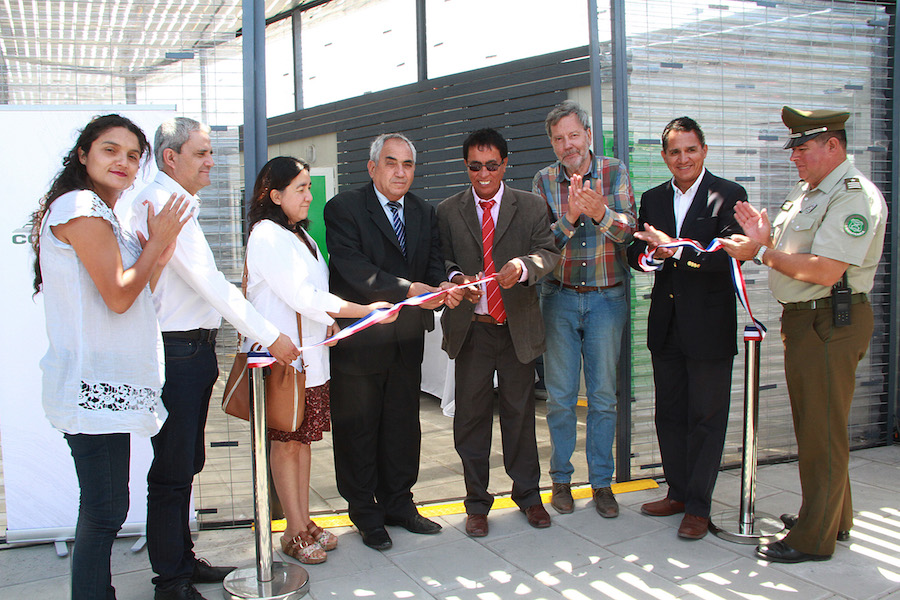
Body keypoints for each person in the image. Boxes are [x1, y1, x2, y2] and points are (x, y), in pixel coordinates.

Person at [128, 118, 300, 600]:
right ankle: (172, 581)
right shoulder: (164, 205)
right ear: (170, 158)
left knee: (185, 461)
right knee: (173, 469)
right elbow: (211, 285)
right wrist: (270, 335)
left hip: (191, 349)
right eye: (202, 153)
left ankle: (181, 560)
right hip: (176, 350)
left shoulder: (174, 202)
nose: (212, 161)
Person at [32, 114, 188, 600]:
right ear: (83, 155)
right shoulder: (80, 206)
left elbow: (135, 299)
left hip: (106, 386)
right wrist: (158, 243)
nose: (123, 162)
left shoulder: (104, 214)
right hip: (90, 387)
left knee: (106, 508)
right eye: (109, 150)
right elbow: (120, 297)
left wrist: (156, 258)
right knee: (103, 512)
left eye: (133, 155)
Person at [720, 106, 887, 563]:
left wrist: (762, 252)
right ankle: (835, 518)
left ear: (833, 146)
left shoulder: (853, 197)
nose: (794, 156)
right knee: (819, 426)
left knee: (822, 429)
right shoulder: (812, 190)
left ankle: (814, 538)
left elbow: (825, 269)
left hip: (830, 320)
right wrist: (762, 238)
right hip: (808, 320)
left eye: (802, 148)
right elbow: (790, 247)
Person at [243, 156, 396, 564]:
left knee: (302, 442)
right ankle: (292, 529)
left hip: (309, 361)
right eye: (300, 189)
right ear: (274, 196)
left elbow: (315, 293)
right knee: (286, 443)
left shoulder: (302, 237)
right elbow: (301, 297)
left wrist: (329, 319)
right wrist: (362, 310)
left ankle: (302, 520)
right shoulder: (267, 235)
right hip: (282, 361)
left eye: (309, 187)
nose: (309, 196)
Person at [324, 132, 461, 551]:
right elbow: (353, 270)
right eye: (391, 162)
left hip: (405, 339)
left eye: (408, 164)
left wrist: (444, 283)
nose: (400, 172)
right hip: (362, 341)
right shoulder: (344, 209)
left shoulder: (423, 211)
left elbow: (435, 260)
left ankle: (400, 503)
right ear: (372, 167)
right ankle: (366, 513)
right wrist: (409, 289)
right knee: (359, 429)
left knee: (402, 426)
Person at [626, 117, 745, 539]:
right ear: (664, 157)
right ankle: (677, 492)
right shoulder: (653, 197)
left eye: (690, 150)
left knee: (706, 418)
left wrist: (673, 250)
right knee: (670, 415)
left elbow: (729, 257)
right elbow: (636, 255)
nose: (683, 158)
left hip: (709, 327)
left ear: (704, 151)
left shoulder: (728, 195)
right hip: (667, 326)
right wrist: (654, 256)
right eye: (674, 152)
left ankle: (698, 505)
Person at [437, 128, 560, 537]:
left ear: (505, 164)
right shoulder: (448, 211)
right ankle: (476, 504)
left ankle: (528, 496)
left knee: (520, 416)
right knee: (471, 420)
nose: (484, 174)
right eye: (475, 166)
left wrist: (523, 267)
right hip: (472, 329)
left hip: (516, 330)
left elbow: (548, 253)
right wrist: (456, 277)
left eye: (492, 165)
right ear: (466, 167)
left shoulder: (530, 206)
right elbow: (441, 261)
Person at [532, 100, 636, 517]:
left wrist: (602, 213)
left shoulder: (614, 172)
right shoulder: (542, 181)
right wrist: (572, 217)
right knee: (559, 398)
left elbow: (630, 233)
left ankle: (602, 484)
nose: (567, 145)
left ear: (589, 135)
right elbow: (541, 246)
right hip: (557, 298)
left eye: (574, 135)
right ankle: (560, 480)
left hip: (607, 299)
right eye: (559, 139)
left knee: (603, 398)